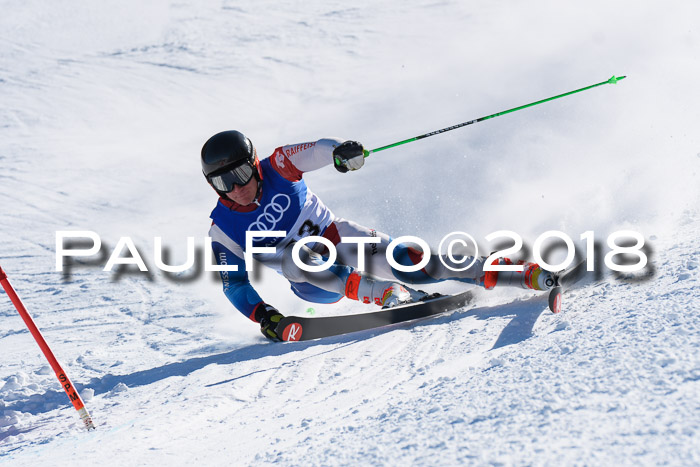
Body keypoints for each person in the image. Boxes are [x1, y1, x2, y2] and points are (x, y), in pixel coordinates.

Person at [202, 131, 555, 341]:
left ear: (254, 163)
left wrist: (341, 151)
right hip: (312, 283)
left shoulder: (278, 166)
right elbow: (234, 284)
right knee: (298, 257)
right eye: (222, 183)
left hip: (339, 237)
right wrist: (267, 317)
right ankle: (387, 294)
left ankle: (521, 273)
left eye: (241, 174)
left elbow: (318, 150)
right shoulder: (223, 229)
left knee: (413, 263)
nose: (235, 188)